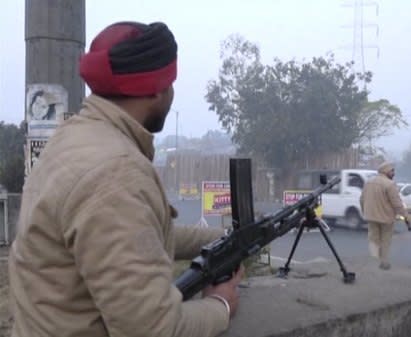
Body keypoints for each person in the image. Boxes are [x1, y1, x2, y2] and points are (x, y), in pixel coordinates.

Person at [9, 21, 243, 337]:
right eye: (171, 82)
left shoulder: (73, 137)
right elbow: (154, 329)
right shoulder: (116, 173)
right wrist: (221, 305)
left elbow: (140, 235)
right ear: (158, 89)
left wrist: (224, 239)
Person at [360, 162, 411, 270]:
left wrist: (364, 211)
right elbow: (397, 204)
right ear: (386, 171)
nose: (394, 173)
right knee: (385, 240)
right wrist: (406, 216)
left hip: (371, 216)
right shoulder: (389, 184)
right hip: (386, 218)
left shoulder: (369, 182)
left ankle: (373, 260)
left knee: (373, 238)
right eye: (392, 171)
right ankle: (383, 262)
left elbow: (362, 199)